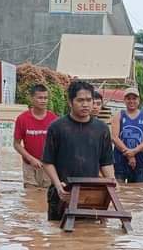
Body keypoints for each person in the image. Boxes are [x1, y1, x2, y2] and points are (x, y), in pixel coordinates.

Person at [41, 80, 114, 220]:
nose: (85, 104)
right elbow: (47, 161)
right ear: (70, 102)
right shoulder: (57, 127)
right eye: (80, 100)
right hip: (63, 192)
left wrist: (112, 184)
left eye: (89, 100)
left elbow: (106, 162)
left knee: (89, 231)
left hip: (91, 194)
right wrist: (58, 185)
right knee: (57, 231)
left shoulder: (102, 129)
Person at [13, 83, 58, 188]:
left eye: (46, 98)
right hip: (29, 165)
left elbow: (59, 145)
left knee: (46, 194)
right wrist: (30, 158)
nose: (43, 101)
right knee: (30, 194)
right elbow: (16, 144)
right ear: (32, 99)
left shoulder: (54, 119)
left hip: (48, 166)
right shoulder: (22, 119)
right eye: (40, 98)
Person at [111, 86, 143, 184]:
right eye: (128, 98)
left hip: (140, 158)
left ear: (139, 100)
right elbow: (115, 138)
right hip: (120, 158)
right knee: (119, 189)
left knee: (138, 191)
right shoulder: (118, 115)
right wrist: (129, 155)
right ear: (124, 100)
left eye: (134, 98)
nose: (131, 101)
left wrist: (134, 152)